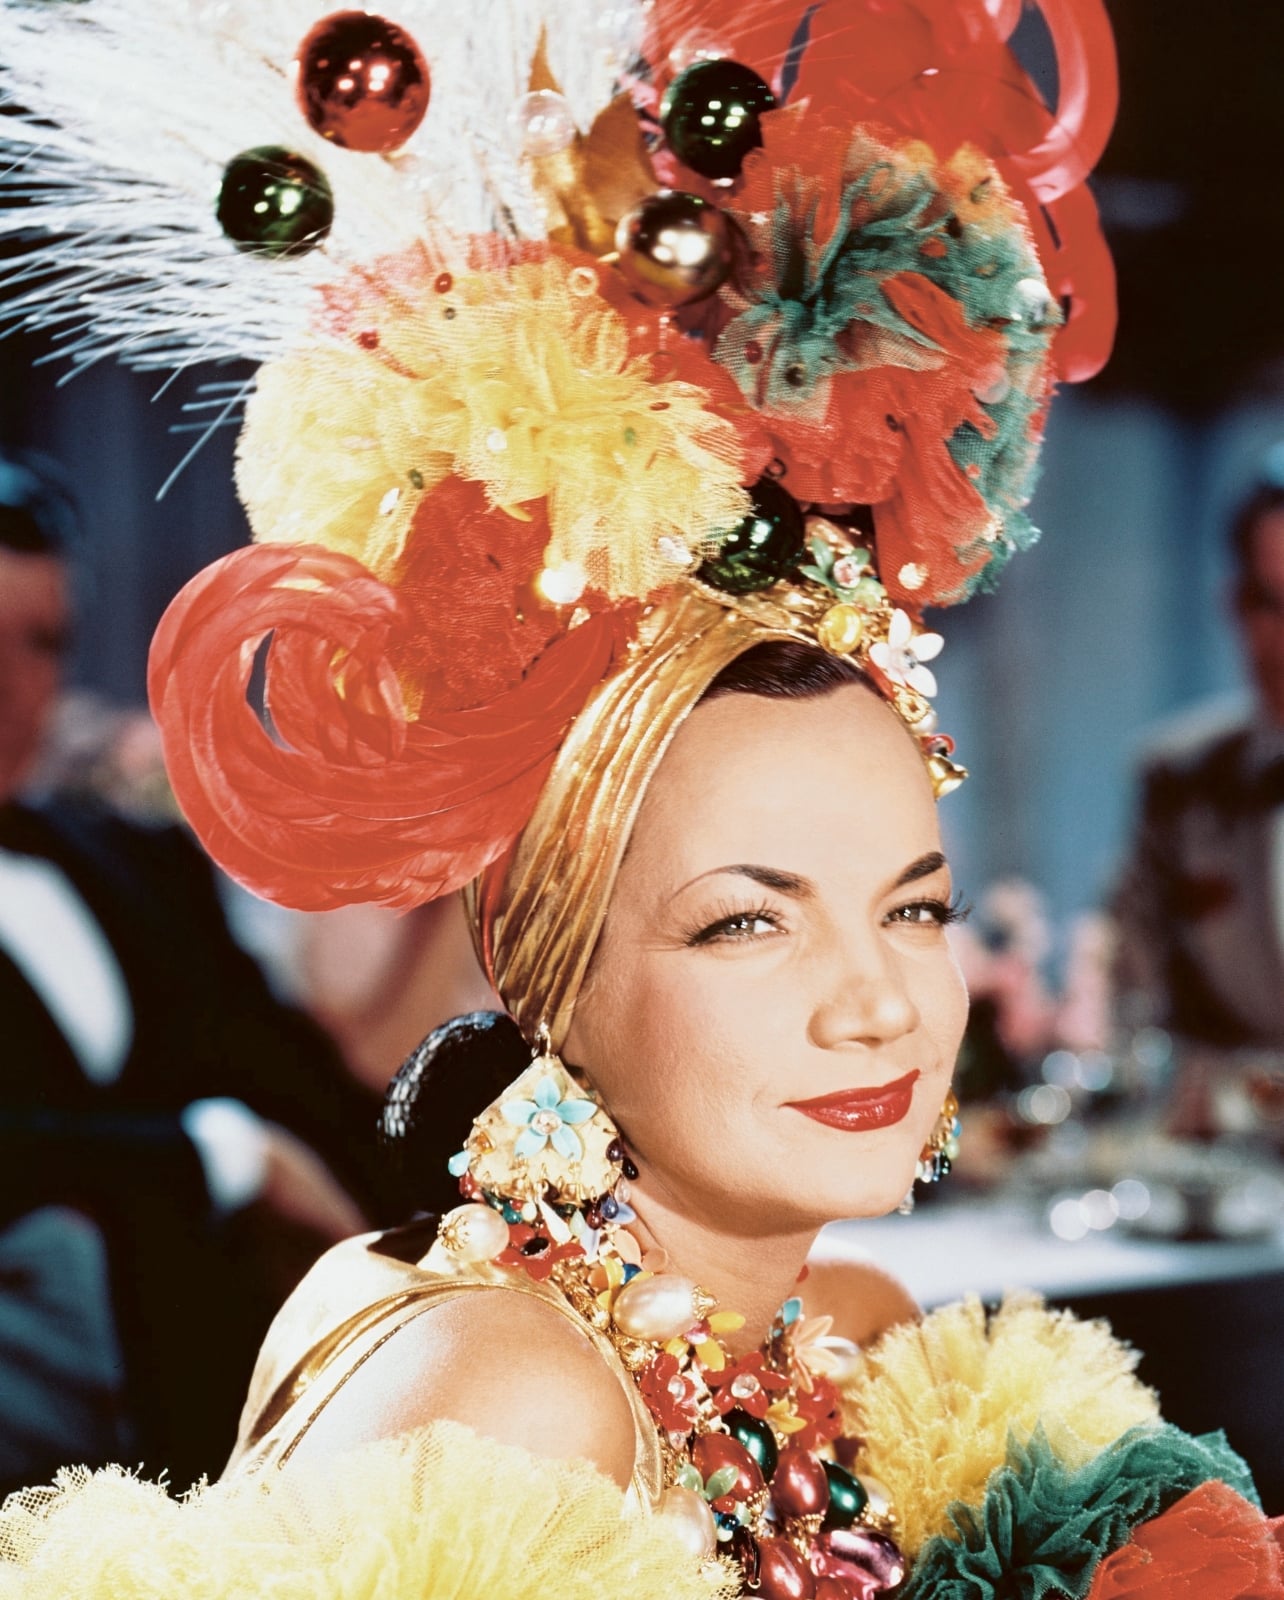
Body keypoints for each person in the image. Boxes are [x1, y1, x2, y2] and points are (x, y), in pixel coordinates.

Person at [3, 1, 1282, 1596]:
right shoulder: (507, 1401)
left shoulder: (866, 1340)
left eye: (914, 908)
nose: (881, 1004)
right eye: (747, 921)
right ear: (560, 987)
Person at [0, 452, 393, 1492]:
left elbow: (300, 1080)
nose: (10, 688)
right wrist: (225, 1157)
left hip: (226, 1437)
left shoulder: (135, 865)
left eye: (40, 643)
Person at [1113, 464, 1284, 1137]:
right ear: (1235, 606)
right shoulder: (1180, 778)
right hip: (1237, 1162)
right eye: (1270, 603)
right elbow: (1138, 999)